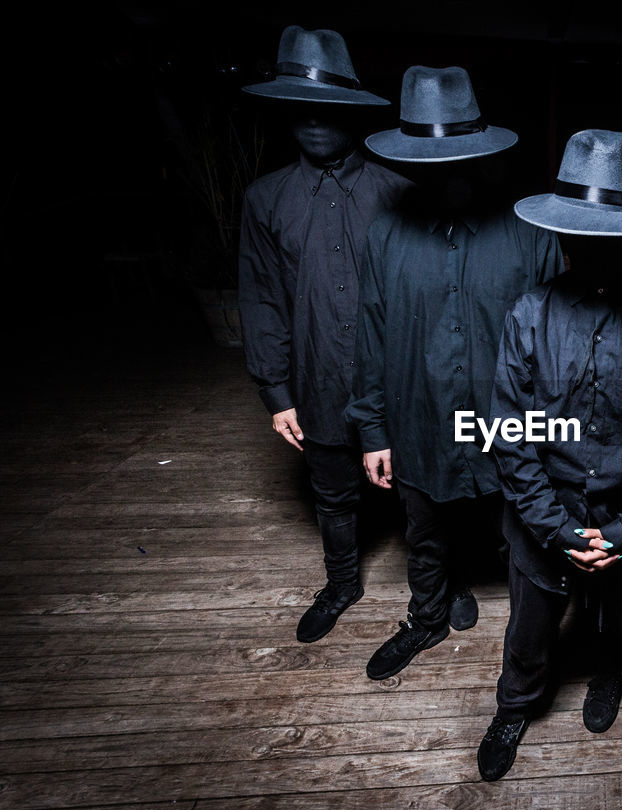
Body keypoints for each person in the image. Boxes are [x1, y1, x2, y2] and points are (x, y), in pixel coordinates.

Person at [477, 129, 622, 782]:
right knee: (527, 631)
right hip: (541, 511)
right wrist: (554, 526)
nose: (597, 246)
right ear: (562, 234)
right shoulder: (529, 313)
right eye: (584, 232)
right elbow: (508, 433)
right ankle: (513, 709)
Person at [345, 65, 561, 681]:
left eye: (457, 153)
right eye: (427, 156)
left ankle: (530, 646)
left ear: (482, 151)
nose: (443, 167)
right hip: (417, 413)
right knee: (425, 531)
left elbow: (557, 340)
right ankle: (428, 618)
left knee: (519, 534)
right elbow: (372, 333)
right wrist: (374, 432)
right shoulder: (385, 232)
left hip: (508, 421)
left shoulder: (529, 233)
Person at [238, 26, 409, 644]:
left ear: (351, 111)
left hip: (395, 378)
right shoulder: (265, 199)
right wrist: (275, 389)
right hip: (316, 375)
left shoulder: (398, 192)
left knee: (418, 490)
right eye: (300, 107)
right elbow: (260, 297)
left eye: (326, 106)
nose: (314, 120)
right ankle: (342, 582)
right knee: (332, 491)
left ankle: (438, 585)